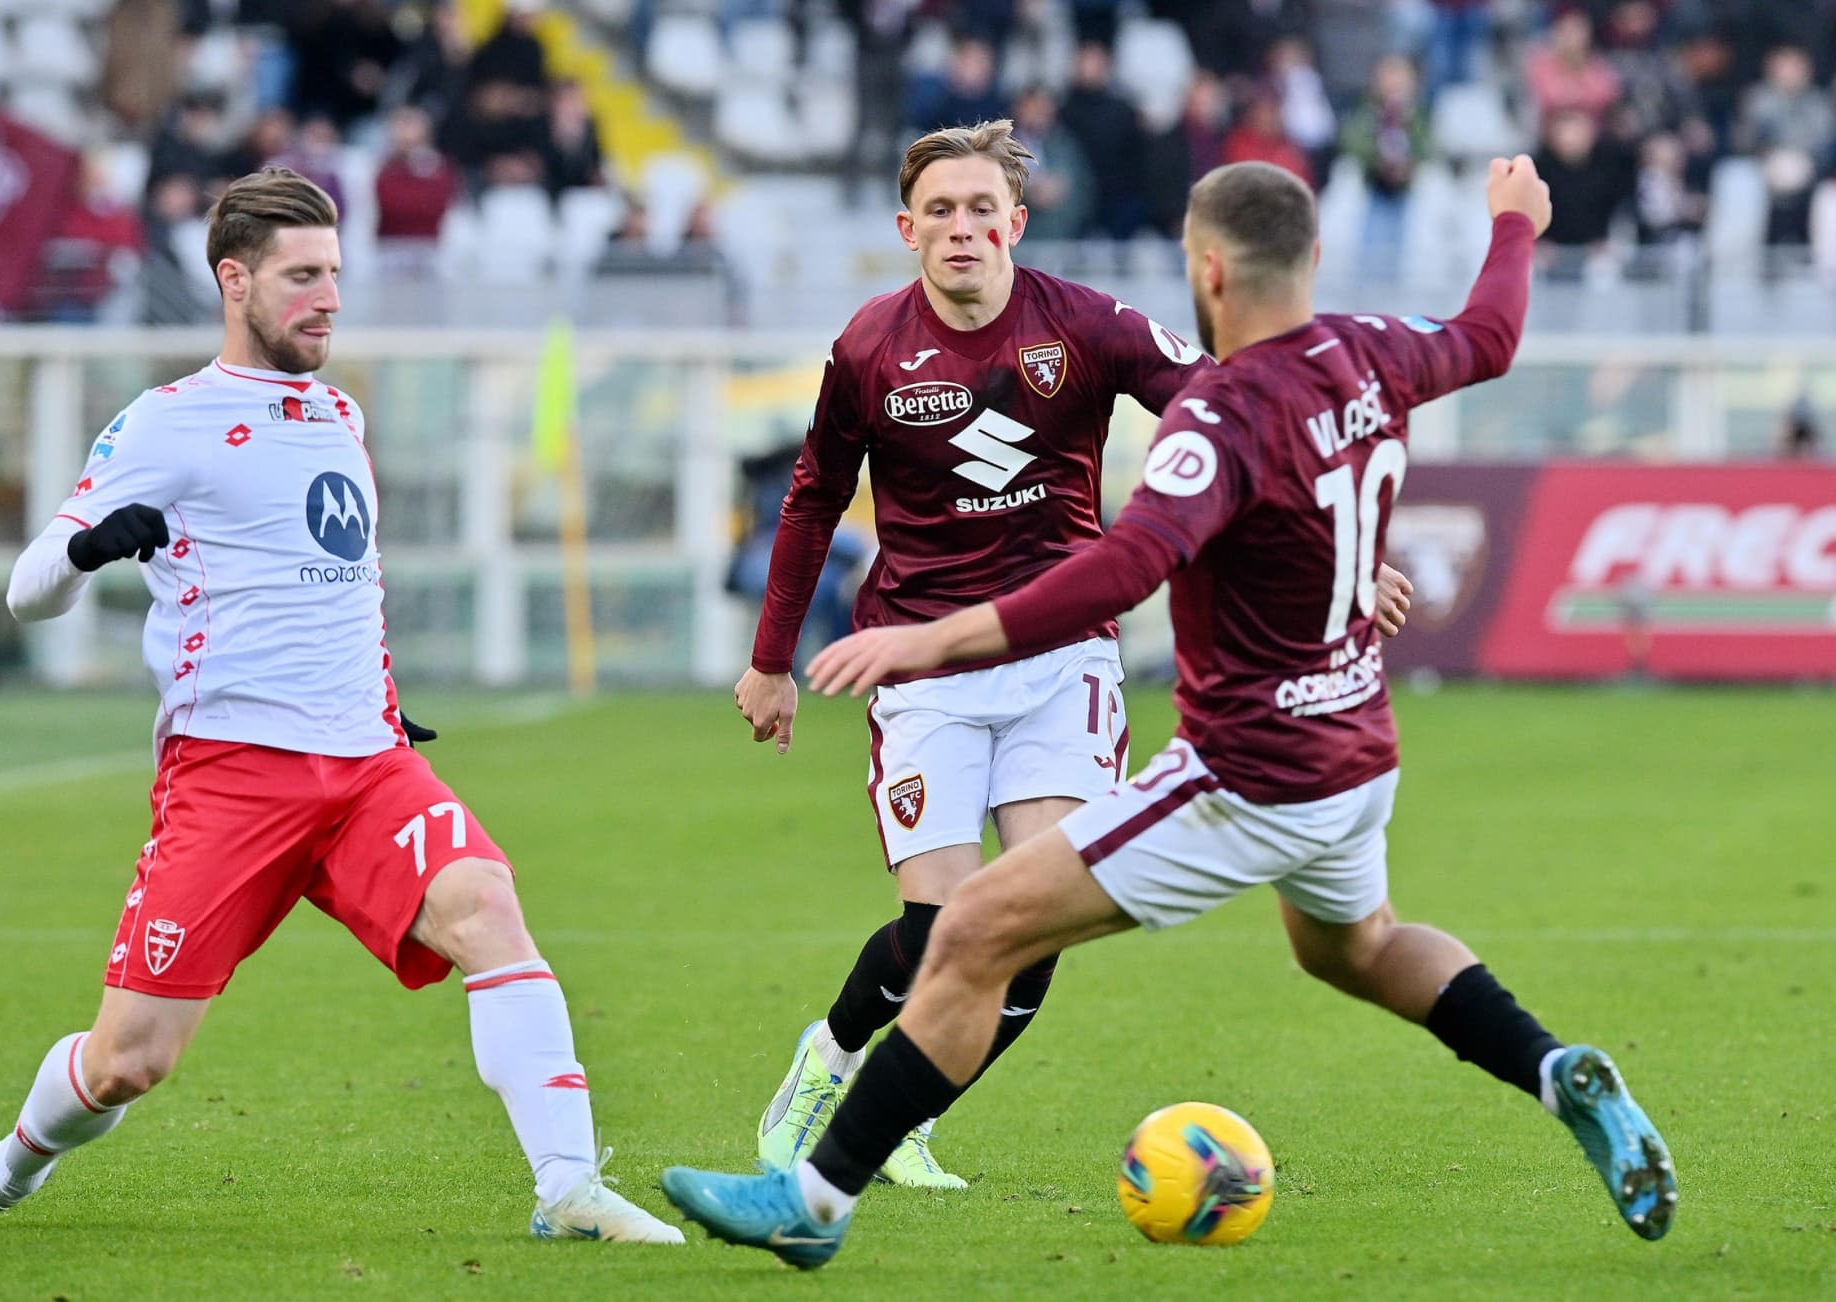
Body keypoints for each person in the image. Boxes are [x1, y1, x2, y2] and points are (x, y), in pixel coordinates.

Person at [667, 157, 1678, 1268]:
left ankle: (812, 1200)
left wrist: (927, 637)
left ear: (1205, 270)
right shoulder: (1373, 351)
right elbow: (1488, 334)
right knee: (1361, 947)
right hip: (1355, 753)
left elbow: (1118, 572)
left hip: (1244, 777)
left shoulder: (1217, 421)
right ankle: (1553, 1066)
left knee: (969, 931)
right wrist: (1512, 227)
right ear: (1313, 260)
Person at [0, 168, 683, 1246]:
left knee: (487, 910)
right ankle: (11, 1165)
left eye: (335, 276)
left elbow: (341, 581)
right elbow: (25, 592)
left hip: (366, 769)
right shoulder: (166, 423)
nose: (327, 298)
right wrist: (85, 548)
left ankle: (568, 1189)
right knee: (130, 1063)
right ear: (234, 279)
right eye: (302, 277)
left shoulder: (338, 411)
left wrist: (378, 699)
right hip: (232, 779)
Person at [733, 119, 1411, 1189]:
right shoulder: (868, 347)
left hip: (1064, 660)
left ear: (1016, 221)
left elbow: (1232, 414)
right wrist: (772, 661)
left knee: (1028, 939)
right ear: (907, 230)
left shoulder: (1088, 326)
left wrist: (1329, 545)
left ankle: (904, 1114)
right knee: (939, 928)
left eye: (979, 210)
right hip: (921, 663)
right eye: (940, 212)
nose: (962, 229)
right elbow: (813, 496)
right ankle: (830, 1059)